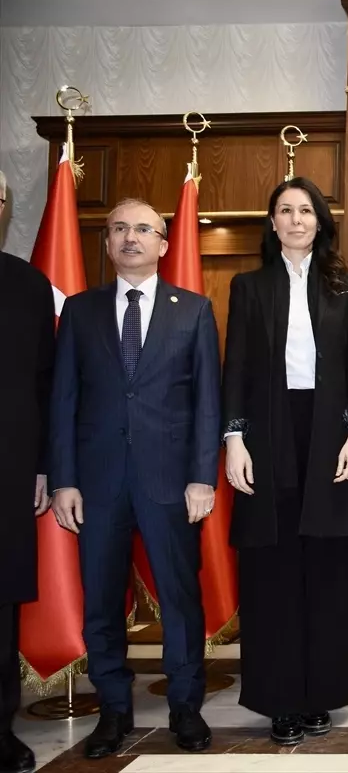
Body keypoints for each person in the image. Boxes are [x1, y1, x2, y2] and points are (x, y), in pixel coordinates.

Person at [49, 198, 219, 758]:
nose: (130, 237)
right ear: (106, 243)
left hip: (171, 482)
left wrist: (202, 477)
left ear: (163, 244)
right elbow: (63, 399)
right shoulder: (80, 310)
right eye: (119, 228)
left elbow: (207, 403)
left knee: (180, 598)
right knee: (101, 601)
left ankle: (186, 707)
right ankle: (114, 710)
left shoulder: (193, 310)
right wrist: (64, 480)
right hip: (96, 483)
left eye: (143, 229)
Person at [221, 177, 348, 744]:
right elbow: (236, 366)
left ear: (320, 222)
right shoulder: (248, 286)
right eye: (285, 211)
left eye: (305, 211)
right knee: (273, 571)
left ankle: (321, 695)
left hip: (330, 432)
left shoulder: (346, 286)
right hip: (268, 434)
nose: (295, 220)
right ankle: (279, 699)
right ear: (272, 222)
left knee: (328, 570)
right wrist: (234, 439)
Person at [0, 170, 55, 773]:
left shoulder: (28, 285)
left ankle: (0, 729)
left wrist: (43, 466)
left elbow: (46, 384)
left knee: (1, 607)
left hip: (8, 472)